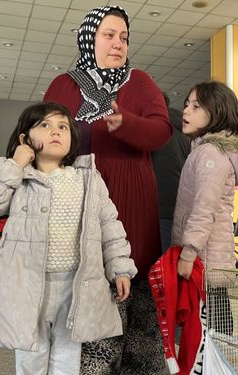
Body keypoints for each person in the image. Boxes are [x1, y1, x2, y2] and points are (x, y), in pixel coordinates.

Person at [43, 6, 171, 374]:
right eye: (109, 35)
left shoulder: (139, 82)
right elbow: (46, 135)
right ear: (89, 38)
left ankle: (141, 365)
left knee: (138, 291)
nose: (118, 44)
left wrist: (126, 123)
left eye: (124, 38)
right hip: (79, 209)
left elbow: (161, 130)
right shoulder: (63, 86)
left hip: (134, 206)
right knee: (91, 298)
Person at [0, 102, 137, 375]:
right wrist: (16, 163)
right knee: (31, 355)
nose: (55, 132)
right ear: (25, 138)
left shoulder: (88, 179)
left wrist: (120, 268)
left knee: (66, 357)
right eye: (44, 125)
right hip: (28, 285)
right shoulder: (18, 176)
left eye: (62, 127)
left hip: (75, 286)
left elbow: (110, 225)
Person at [171, 81, 238, 336]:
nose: (186, 111)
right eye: (187, 104)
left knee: (210, 334)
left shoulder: (210, 154)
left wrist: (188, 254)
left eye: (196, 106)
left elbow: (204, 208)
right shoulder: (204, 150)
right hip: (209, 263)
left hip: (204, 263)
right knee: (215, 329)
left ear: (216, 112)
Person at [152, 93, 191, 252]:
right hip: (180, 204)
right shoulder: (186, 130)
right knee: (170, 260)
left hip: (158, 205)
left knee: (158, 264)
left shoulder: (155, 128)